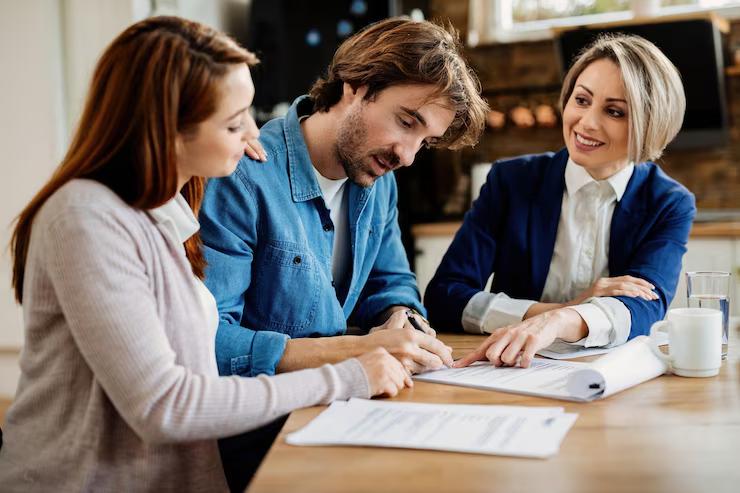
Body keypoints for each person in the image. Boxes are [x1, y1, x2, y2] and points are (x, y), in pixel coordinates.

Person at [0, 16, 412, 492]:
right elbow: (166, 408)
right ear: (170, 126)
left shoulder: (164, 212)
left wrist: (226, 142)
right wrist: (346, 377)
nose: (253, 134)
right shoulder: (84, 218)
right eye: (235, 121)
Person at [200, 17, 488, 381]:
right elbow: (210, 342)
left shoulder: (379, 179)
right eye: (406, 122)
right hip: (266, 421)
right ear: (355, 86)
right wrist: (355, 350)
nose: (408, 156)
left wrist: (401, 317)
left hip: (343, 398)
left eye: (425, 142)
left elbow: (391, 283)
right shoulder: (242, 177)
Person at [425, 34, 695, 369]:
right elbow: (445, 298)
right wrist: (557, 311)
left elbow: (644, 311)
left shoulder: (668, 203)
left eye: (614, 111)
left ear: (649, 124)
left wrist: (559, 323)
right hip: (510, 367)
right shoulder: (511, 181)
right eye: (581, 100)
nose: (586, 123)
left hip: (609, 380)